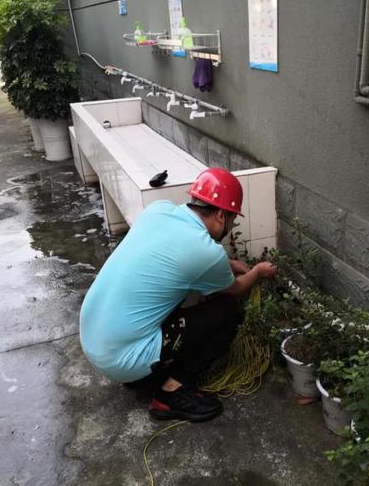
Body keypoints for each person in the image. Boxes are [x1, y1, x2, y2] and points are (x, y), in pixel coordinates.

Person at [79, 168, 278, 422]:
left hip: (95, 339)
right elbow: (236, 288)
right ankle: (169, 394)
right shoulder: (205, 252)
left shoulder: (158, 210)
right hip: (120, 359)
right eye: (232, 220)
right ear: (221, 215)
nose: (230, 226)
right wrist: (259, 272)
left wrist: (227, 263)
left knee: (171, 292)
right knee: (227, 311)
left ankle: (144, 373)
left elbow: (180, 253)